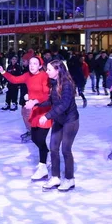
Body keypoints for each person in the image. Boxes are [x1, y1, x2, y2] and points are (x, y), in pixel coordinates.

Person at [26, 59, 79, 191]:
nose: (47, 71)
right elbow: (51, 100)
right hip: (59, 120)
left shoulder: (67, 84)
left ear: (57, 70)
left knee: (65, 149)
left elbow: (64, 104)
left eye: (49, 69)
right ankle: (55, 177)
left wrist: (47, 116)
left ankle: (69, 179)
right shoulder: (55, 82)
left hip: (70, 121)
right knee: (53, 148)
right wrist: (35, 103)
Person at [0, 56, 52, 180]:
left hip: (45, 112)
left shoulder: (44, 76)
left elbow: (46, 95)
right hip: (34, 111)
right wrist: (3, 71)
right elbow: (15, 80)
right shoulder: (27, 75)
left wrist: (34, 101)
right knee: (34, 137)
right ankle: (46, 156)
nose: (32, 65)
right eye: (30, 63)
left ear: (39, 66)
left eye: (35, 63)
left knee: (40, 139)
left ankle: (43, 166)